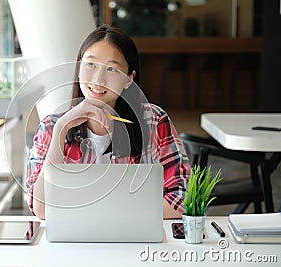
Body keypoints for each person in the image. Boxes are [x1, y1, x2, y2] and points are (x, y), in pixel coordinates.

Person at [26, 24, 190, 220]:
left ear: (129, 79)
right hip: (74, 245)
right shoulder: (51, 126)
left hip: (135, 243)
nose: (98, 79)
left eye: (112, 69)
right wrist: (62, 128)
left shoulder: (154, 121)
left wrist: (102, 214)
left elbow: (182, 200)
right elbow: (42, 209)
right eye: (91, 65)